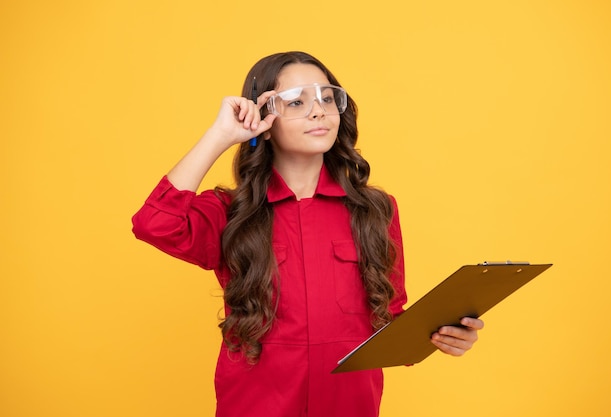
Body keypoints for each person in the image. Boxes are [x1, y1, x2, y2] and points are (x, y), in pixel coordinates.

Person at [132, 51, 483, 417]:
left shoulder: (376, 210)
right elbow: (153, 223)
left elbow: (389, 319)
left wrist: (441, 335)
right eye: (297, 101)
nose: (318, 111)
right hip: (256, 407)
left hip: (350, 406)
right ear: (263, 117)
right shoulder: (229, 211)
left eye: (327, 98)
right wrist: (221, 135)